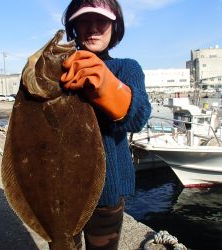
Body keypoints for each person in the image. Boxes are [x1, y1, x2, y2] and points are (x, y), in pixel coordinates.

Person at [60, 0, 151, 249]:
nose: (93, 28)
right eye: (84, 21)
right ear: (73, 27)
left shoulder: (127, 67)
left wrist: (108, 88)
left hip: (107, 190)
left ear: (114, 26)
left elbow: (138, 118)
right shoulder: (58, 69)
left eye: (101, 21)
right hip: (61, 190)